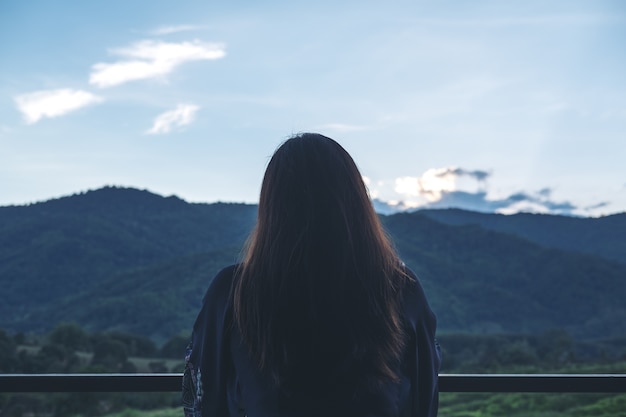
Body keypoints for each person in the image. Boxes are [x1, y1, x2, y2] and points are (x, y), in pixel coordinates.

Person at [183, 133, 440, 417]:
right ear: (356, 203)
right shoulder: (399, 289)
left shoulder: (234, 292)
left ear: (272, 206)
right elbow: (423, 399)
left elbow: (204, 399)